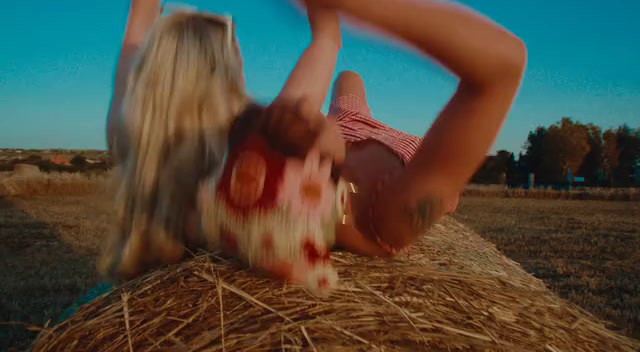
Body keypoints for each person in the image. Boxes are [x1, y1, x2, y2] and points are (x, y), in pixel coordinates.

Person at [101, 0, 526, 279]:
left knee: (348, 86)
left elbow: (137, 35)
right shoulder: (384, 219)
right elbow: (505, 65)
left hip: (345, 125)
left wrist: (326, 139)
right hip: (385, 139)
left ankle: (346, 114)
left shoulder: (263, 137)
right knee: (350, 83)